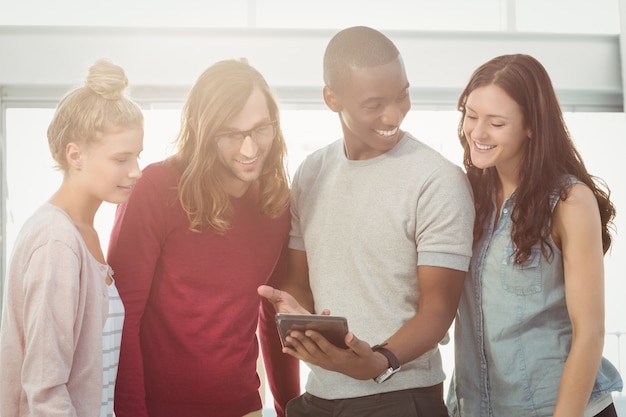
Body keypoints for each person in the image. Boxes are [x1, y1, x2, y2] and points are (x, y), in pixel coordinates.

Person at [258, 26, 475, 416]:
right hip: (319, 398)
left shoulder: (437, 179)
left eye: (402, 95)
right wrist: (300, 319)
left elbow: (439, 309)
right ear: (331, 98)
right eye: (374, 104)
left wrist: (381, 360)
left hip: (401, 398)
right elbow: (298, 279)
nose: (393, 114)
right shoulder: (311, 172)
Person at [106, 58, 300, 417]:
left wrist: (289, 407)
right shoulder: (156, 188)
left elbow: (274, 314)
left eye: (260, 129)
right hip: (160, 409)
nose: (249, 149)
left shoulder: (277, 202)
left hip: (243, 407)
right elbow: (122, 317)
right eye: (230, 134)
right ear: (200, 129)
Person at [447, 53, 623, 417]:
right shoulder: (466, 197)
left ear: (531, 126)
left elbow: (590, 333)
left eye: (496, 123)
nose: (477, 132)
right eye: (471, 114)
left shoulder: (570, 201)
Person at [0, 59, 143, 417]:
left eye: (137, 156)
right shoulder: (57, 242)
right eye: (121, 158)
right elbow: (45, 390)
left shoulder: (84, 234)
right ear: (75, 154)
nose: (136, 171)